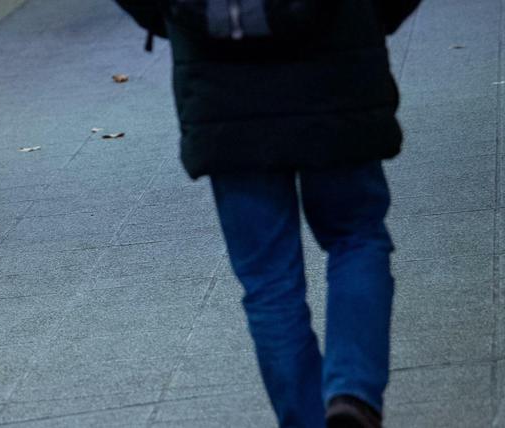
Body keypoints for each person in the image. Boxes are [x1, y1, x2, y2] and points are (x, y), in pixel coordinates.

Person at [115, 1, 421, 427]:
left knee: (269, 281)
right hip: (335, 68)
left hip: (220, 81)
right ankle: (353, 391)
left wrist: (179, 15)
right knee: (356, 236)